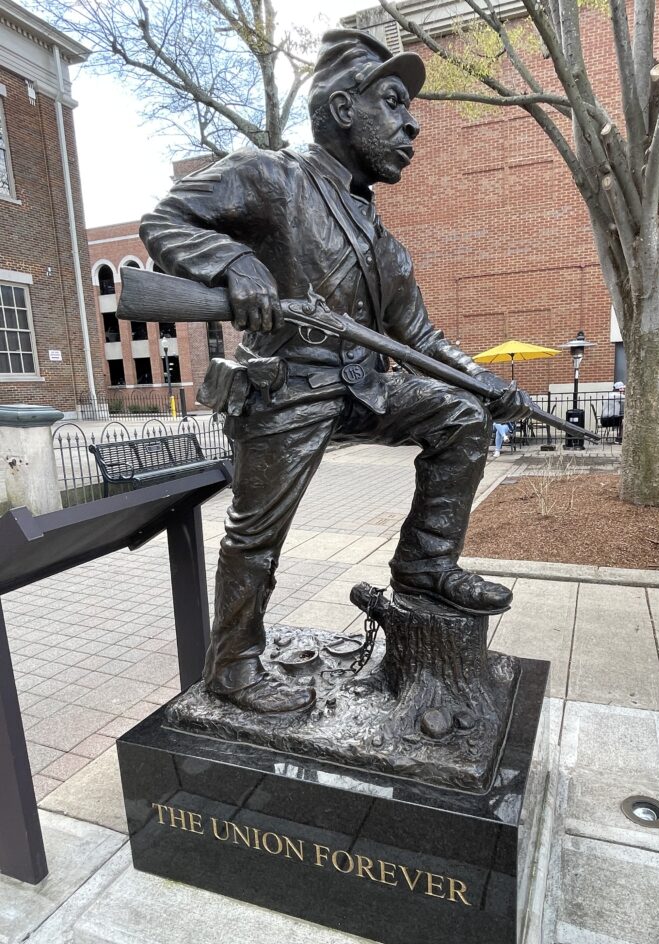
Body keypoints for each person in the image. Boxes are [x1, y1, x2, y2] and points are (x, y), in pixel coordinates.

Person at [140, 30, 532, 714]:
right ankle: (232, 666)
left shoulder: (384, 241)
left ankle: (426, 567)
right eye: (392, 102)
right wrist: (236, 264)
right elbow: (166, 220)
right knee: (255, 536)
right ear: (343, 109)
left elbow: (418, 336)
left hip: (363, 389)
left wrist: (482, 381)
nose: (411, 123)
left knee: (461, 417)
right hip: (285, 389)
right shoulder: (270, 176)